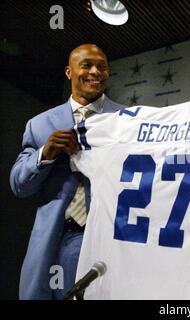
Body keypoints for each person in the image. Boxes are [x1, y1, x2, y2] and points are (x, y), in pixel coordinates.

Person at [10, 44, 126, 300]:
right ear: (68, 72)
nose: (95, 71)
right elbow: (19, 185)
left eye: (102, 66)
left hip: (107, 241)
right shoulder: (40, 124)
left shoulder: (127, 120)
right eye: (87, 65)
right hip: (54, 241)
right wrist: (45, 154)